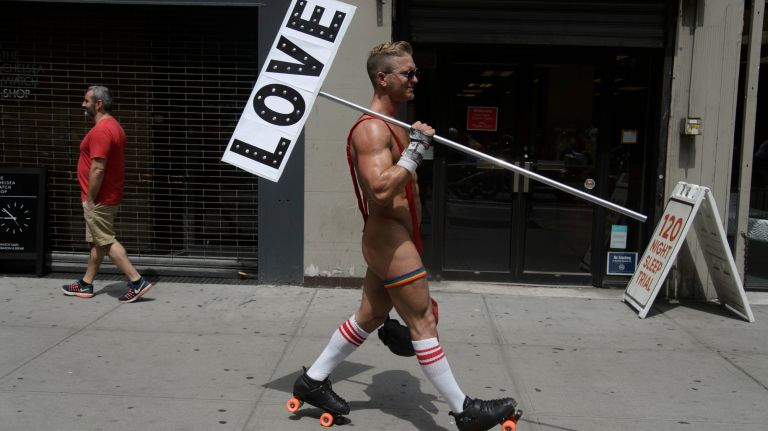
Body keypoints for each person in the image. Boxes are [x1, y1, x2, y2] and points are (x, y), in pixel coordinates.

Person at [289, 42, 520, 431]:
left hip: (394, 236)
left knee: (372, 314)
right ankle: (465, 410)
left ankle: (311, 381)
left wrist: (412, 142)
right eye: (407, 73)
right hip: (388, 239)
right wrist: (414, 150)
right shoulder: (372, 129)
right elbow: (380, 189)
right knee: (423, 320)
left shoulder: (394, 123)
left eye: (415, 72)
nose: (415, 79)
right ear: (383, 78)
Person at [61, 85, 153, 303]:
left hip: (99, 198)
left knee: (106, 240)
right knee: (97, 242)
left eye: (86, 100)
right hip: (106, 195)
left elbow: (98, 168)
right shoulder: (115, 126)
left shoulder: (102, 130)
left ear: (98, 104)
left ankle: (136, 280)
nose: (83, 104)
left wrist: (90, 198)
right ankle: (86, 284)